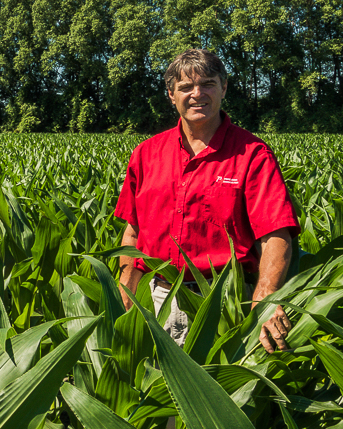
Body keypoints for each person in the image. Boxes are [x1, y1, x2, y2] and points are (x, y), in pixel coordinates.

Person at [113, 49, 300, 352]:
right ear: (171, 94)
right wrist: (127, 293)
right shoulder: (146, 154)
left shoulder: (252, 154)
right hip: (156, 299)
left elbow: (275, 235)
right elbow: (133, 234)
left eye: (208, 84)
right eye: (186, 87)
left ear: (224, 88)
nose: (197, 94)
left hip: (224, 304)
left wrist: (265, 300)